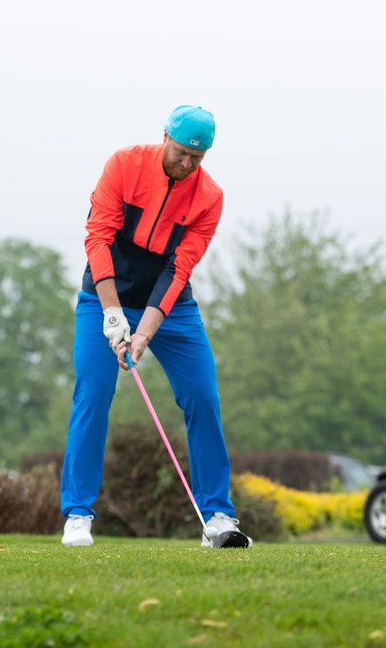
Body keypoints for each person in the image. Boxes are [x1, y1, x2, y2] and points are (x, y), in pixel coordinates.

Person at [60, 104, 250, 548]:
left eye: (196, 159)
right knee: (92, 393)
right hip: (103, 296)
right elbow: (98, 237)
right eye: (181, 152)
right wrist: (111, 313)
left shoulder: (209, 197)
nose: (186, 165)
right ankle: (78, 514)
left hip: (169, 307)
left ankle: (219, 516)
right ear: (165, 136)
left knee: (203, 395)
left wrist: (142, 333)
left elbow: (178, 268)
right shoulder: (124, 165)